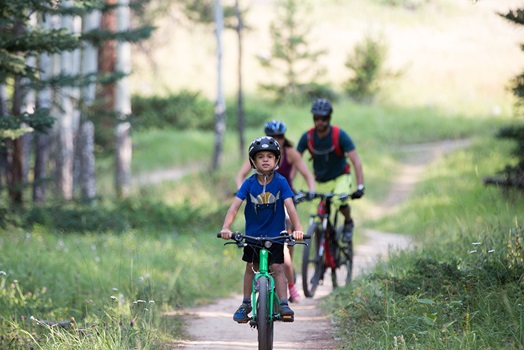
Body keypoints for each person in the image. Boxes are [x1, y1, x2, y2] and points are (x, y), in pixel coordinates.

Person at [220, 136, 304, 324]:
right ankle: (245, 303)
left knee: (277, 268)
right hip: (252, 236)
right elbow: (234, 207)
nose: (265, 160)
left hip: (276, 235)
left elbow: (290, 206)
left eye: (269, 156)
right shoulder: (249, 183)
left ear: (276, 160)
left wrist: (297, 229)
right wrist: (226, 227)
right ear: (253, 161)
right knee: (251, 268)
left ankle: (283, 304)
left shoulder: (281, 182)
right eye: (260, 157)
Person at [235, 120, 315, 303]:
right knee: (252, 263)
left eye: (280, 137)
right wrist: (245, 191)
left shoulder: (290, 154)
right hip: (261, 201)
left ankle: (290, 282)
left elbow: (307, 174)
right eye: (273, 137)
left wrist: (311, 190)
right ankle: (253, 298)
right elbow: (240, 176)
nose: (277, 140)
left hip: (283, 198)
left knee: (286, 241)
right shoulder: (260, 156)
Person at [296, 98, 365, 242]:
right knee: (315, 214)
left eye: (324, 118)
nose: (320, 122)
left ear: (330, 118)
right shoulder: (308, 137)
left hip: (340, 177)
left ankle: (348, 222)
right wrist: (287, 184)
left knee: (339, 201)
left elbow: (356, 161)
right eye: (317, 118)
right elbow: (295, 161)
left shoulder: (339, 135)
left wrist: (360, 186)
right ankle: (323, 248)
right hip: (320, 180)